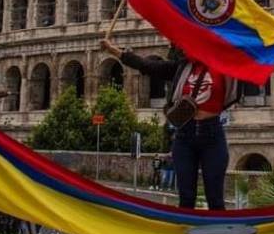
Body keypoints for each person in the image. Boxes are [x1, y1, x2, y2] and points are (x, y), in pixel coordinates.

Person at [99, 38, 238, 210]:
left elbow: (241, 82)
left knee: (215, 198)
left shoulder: (225, 68)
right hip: (184, 137)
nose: (183, 48)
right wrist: (113, 50)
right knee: (186, 197)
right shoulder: (182, 68)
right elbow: (147, 65)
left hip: (212, 135)